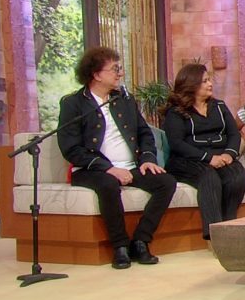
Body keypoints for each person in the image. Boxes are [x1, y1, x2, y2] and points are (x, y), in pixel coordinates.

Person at [57, 47, 176, 269]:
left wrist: (148, 159)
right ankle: (120, 246)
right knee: (108, 184)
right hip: (92, 170)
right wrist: (109, 168)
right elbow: (70, 148)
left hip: (131, 166)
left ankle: (140, 241)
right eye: (114, 69)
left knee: (166, 182)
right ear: (96, 74)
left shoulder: (124, 99)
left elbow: (144, 133)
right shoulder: (73, 103)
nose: (119, 73)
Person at [162, 63, 245, 241]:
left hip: (220, 156)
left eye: (209, 80)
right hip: (187, 159)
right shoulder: (176, 111)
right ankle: (214, 233)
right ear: (192, 84)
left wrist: (229, 154)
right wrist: (208, 158)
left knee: (237, 177)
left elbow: (234, 133)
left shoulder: (219, 106)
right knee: (209, 177)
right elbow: (177, 143)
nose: (210, 84)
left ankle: (228, 225)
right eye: (205, 81)